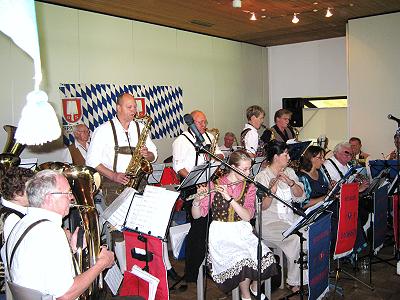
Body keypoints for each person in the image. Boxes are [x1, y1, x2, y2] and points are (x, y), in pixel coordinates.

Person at [4, 170, 114, 299]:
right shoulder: (50, 232)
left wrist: (71, 251)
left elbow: (37, 267)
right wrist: (101, 264)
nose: (72, 197)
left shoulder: (22, 223)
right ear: (50, 198)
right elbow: (65, 295)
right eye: (67, 193)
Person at [191, 150, 277, 300]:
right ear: (232, 167)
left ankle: (254, 288)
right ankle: (246, 297)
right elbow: (196, 215)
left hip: (242, 229)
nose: (248, 173)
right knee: (243, 261)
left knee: (267, 258)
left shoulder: (249, 187)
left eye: (249, 168)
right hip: (221, 233)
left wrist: (230, 199)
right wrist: (197, 201)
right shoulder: (215, 184)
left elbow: (247, 216)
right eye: (244, 169)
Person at [172, 110, 224, 283]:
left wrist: (216, 156)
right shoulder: (181, 140)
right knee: (198, 228)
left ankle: (209, 264)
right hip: (192, 187)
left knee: (211, 226)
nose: (204, 125)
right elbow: (179, 167)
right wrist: (196, 182)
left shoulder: (208, 137)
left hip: (211, 184)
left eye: (205, 122)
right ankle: (193, 270)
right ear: (191, 123)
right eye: (201, 122)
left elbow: (221, 156)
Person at [86, 92, 158, 204]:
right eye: (129, 107)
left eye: (135, 107)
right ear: (118, 108)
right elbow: (91, 161)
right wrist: (113, 175)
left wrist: (147, 154)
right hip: (114, 186)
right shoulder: (103, 130)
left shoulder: (141, 127)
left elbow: (153, 154)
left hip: (140, 182)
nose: (133, 110)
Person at [255, 140, 307, 292]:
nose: (289, 156)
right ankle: (294, 281)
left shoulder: (289, 172)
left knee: (311, 231)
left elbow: (301, 196)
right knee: (297, 238)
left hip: (289, 220)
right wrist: (271, 191)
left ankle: (307, 275)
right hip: (269, 224)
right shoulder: (262, 177)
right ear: (276, 157)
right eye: (286, 154)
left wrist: (291, 183)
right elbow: (262, 207)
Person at [321, 141, 369, 254]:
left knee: (364, 209)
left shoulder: (345, 164)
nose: (349, 156)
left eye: (350, 154)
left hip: (345, 201)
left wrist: (359, 180)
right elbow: (336, 191)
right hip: (333, 203)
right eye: (346, 153)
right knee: (358, 214)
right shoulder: (328, 166)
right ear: (336, 153)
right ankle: (353, 249)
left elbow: (350, 180)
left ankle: (353, 247)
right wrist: (359, 189)